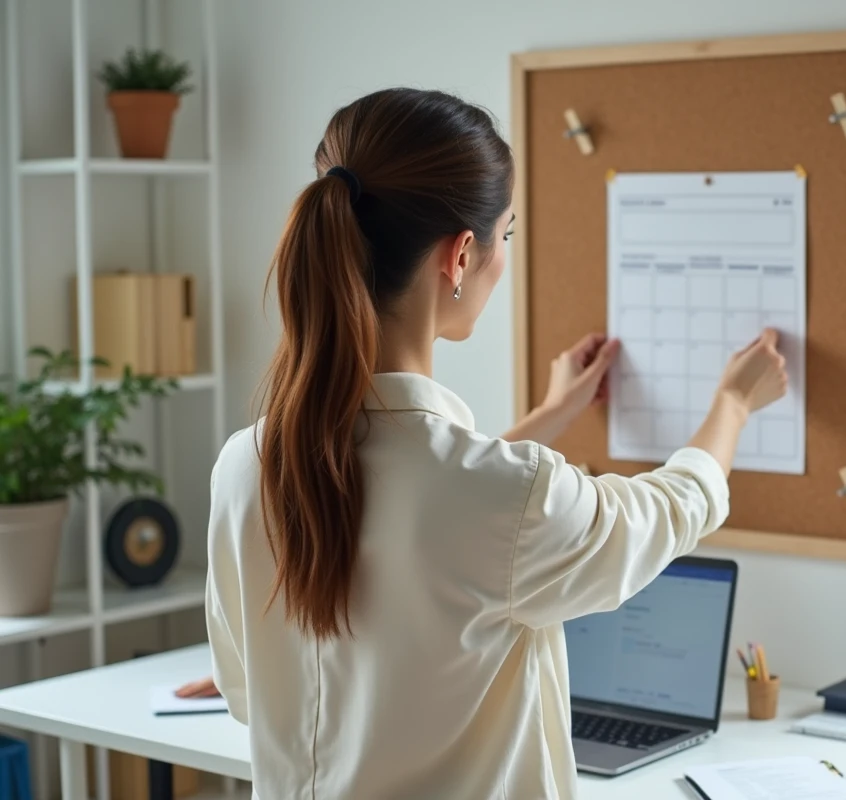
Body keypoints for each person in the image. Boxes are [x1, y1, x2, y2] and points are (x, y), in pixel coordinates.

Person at [203, 87, 787, 800]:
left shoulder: (246, 464)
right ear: (459, 255)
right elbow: (664, 512)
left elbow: (246, 692)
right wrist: (732, 404)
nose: (503, 257)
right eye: (506, 236)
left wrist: (547, 415)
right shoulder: (498, 496)